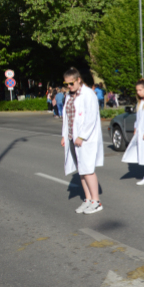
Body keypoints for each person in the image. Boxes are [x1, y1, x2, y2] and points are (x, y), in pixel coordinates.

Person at [60, 68, 105, 214]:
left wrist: (82, 136)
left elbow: (91, 117)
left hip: (85, 139)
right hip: (73, 138)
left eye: (71, 83)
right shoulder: (69, 95)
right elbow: (67, 117)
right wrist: (64, 135)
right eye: (66, 84)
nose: (69, 86)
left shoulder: (88, 94)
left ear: (79, 79)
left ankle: (96, 201)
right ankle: (88, 199)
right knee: (81, 170)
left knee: (88, 170)